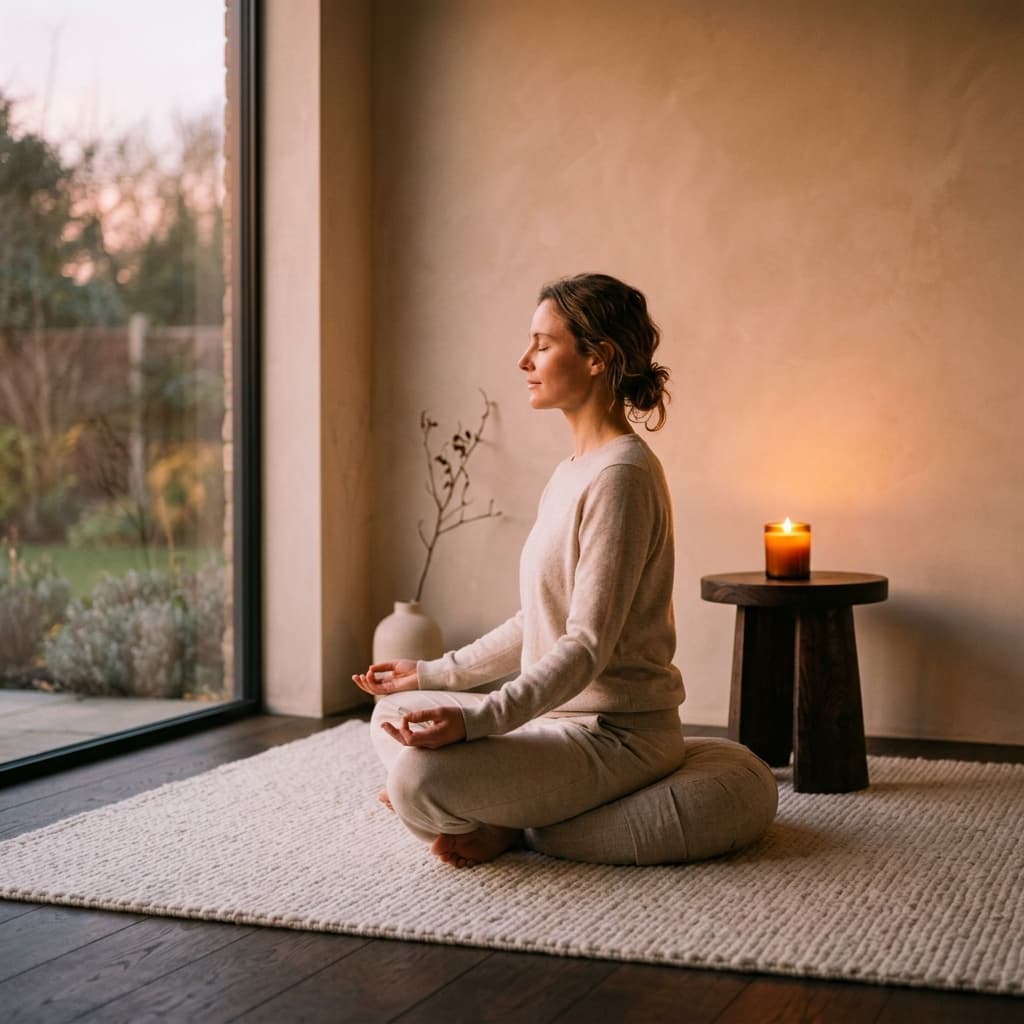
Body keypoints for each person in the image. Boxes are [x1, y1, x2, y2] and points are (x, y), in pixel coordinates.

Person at [352, 272, 686, 868]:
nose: (523, 359)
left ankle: (507, 819)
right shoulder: (573, 471)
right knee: (390, 715)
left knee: (416, 782)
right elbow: (538, 619)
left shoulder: (622, 477)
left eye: (542, 343)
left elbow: (585, 645)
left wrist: (478, 718)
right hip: (555, 722)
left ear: (596, 358)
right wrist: (431, 673)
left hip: (616, 734)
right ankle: (508, 815)